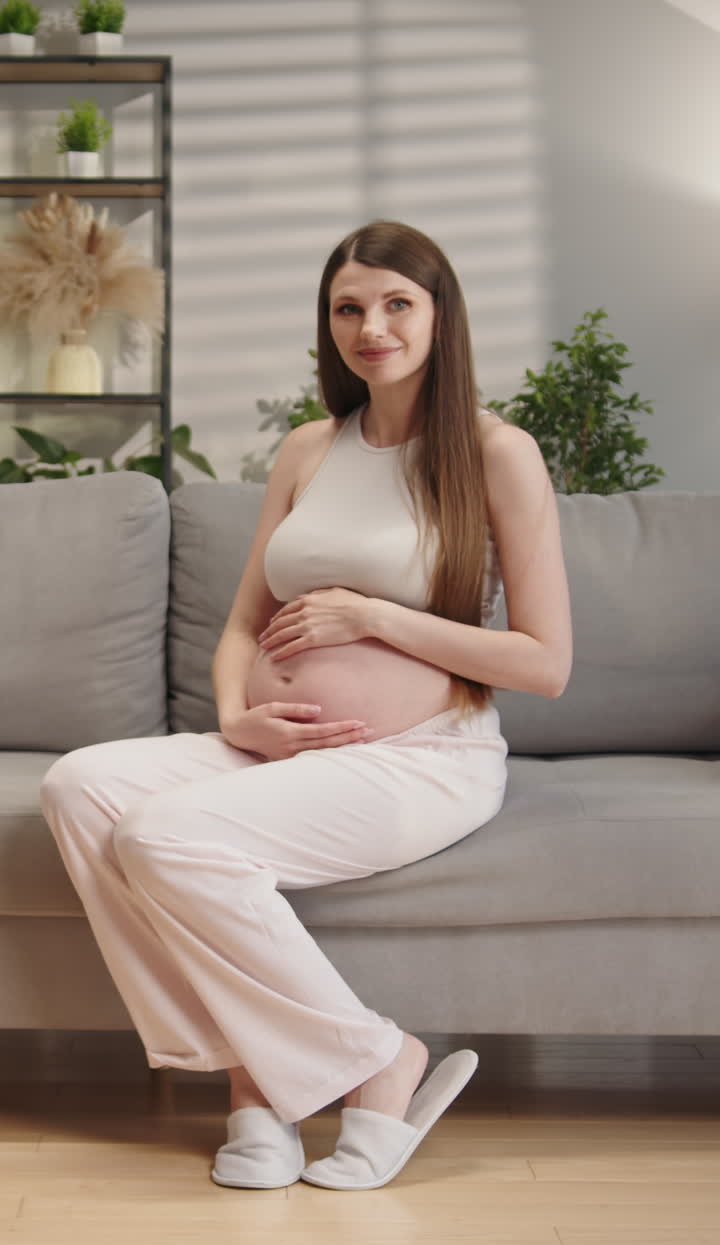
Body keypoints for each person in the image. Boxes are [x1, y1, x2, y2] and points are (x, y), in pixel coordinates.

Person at [40, 219, 572, 1192]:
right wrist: (237, 713)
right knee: (79, 785)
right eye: (349, 307)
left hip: (420, 755)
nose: (372, 325)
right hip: (276, 750)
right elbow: (244, 623)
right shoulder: (308, 447)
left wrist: (375, 614)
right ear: (328, 327)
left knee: (166, 837)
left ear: (440, 315)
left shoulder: (497, 454)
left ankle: (297, 1081)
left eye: (397, 302)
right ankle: (315, 1066)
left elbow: (544, 661)